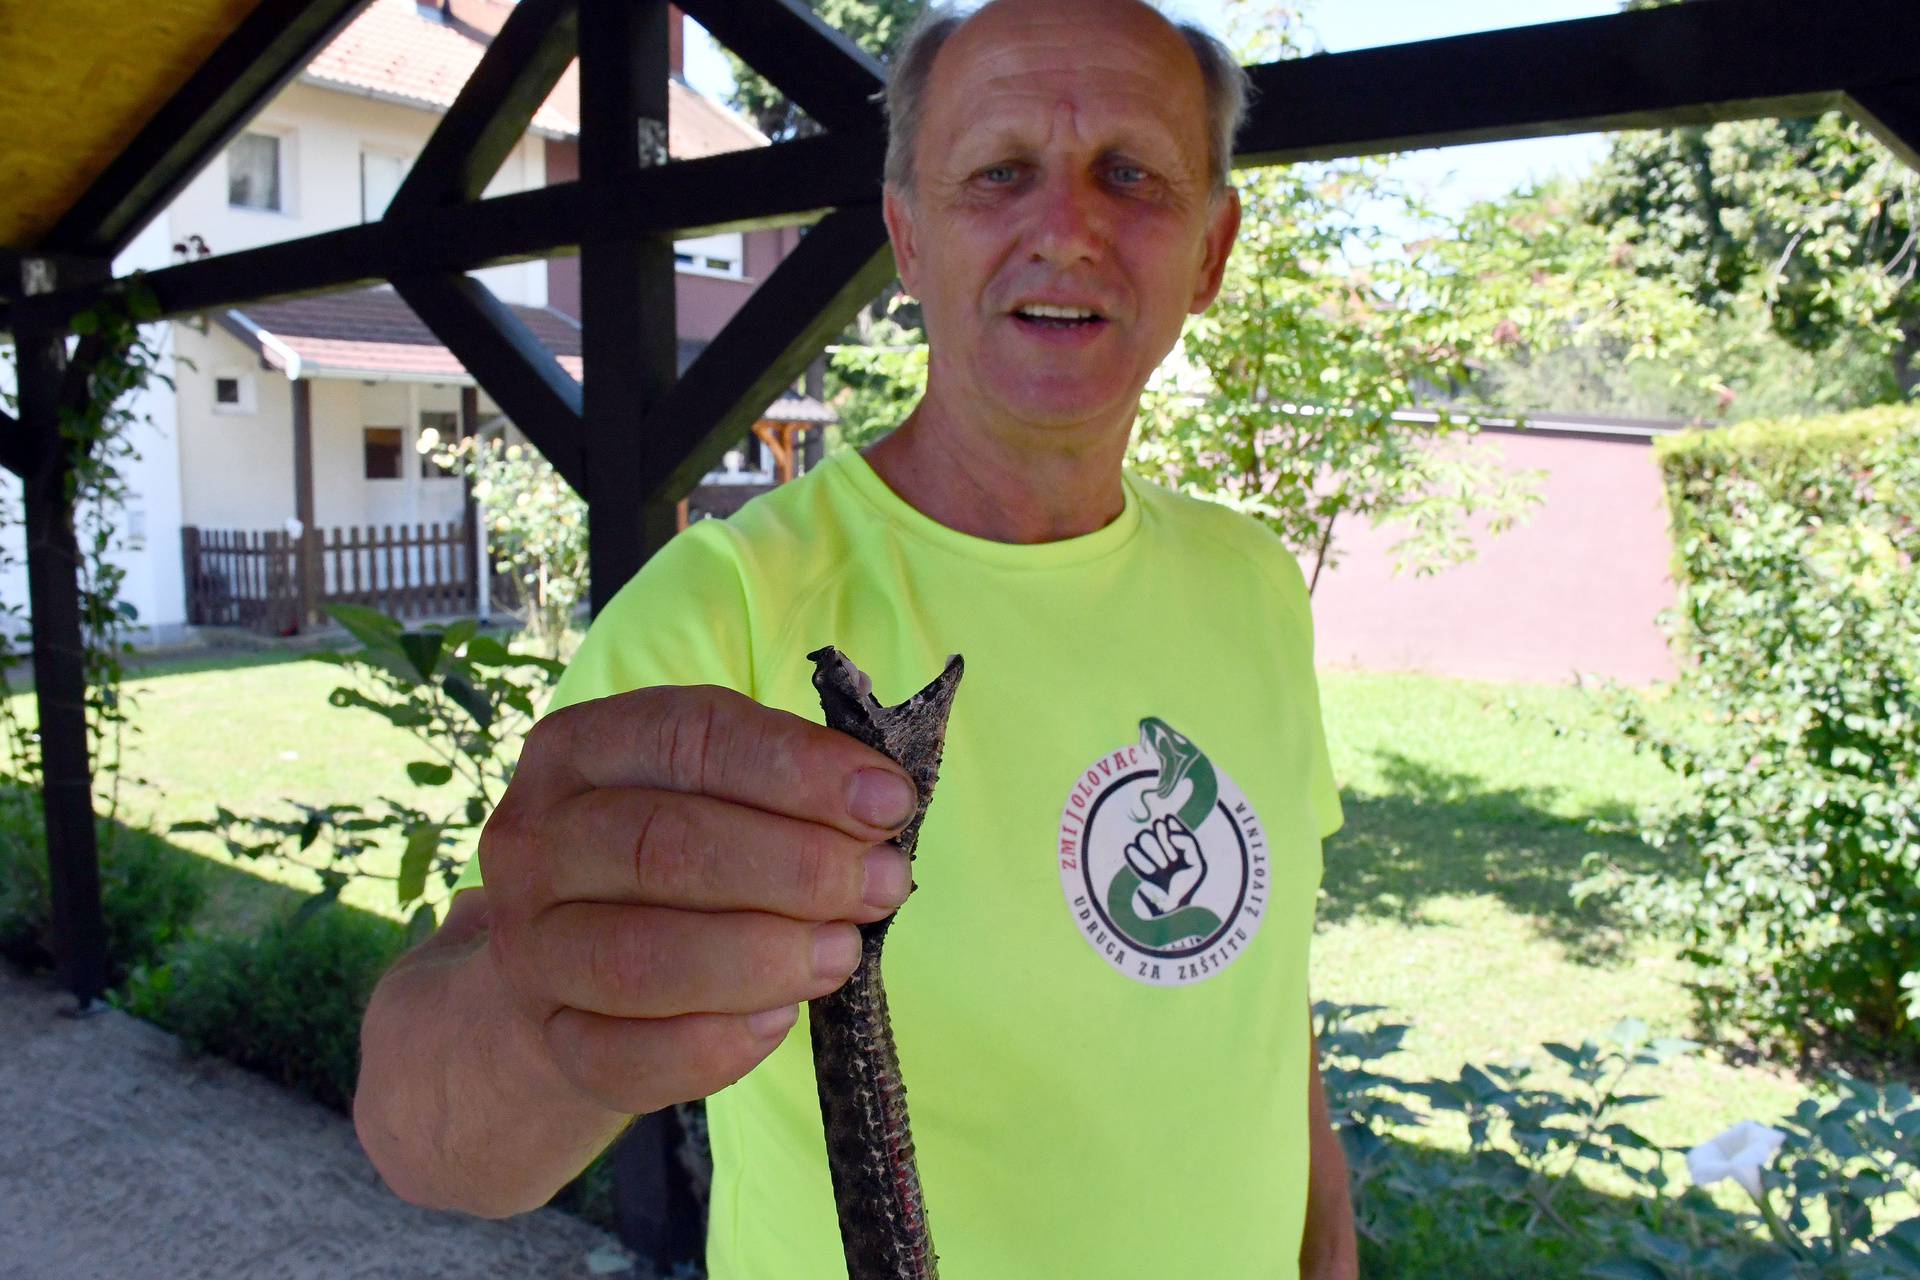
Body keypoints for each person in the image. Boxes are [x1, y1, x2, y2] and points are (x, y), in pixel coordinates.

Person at [353, 1, 1358, 1275]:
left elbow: (1262, 999)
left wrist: (1328, 1240)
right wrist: (540, 1005)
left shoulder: (1253, 581)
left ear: (1210, 250)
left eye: (1131, 174)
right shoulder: (730, 606)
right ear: (909, 238)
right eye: (999, 173)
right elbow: (428, 1139)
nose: (1066, 229)